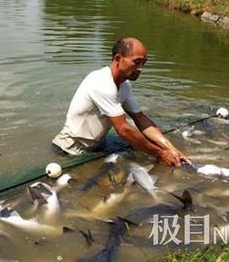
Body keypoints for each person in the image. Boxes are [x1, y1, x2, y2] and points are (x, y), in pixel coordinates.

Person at [52, 37, 190, 167]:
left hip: (96, 146)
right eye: (137, 62)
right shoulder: (101, 83)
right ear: (118, 58)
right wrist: (160, 154)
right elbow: (123, 129)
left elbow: (140, 118)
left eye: (144, 62)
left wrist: (171, 149)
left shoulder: (124, 85)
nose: (141, 68)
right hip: (70, 150)